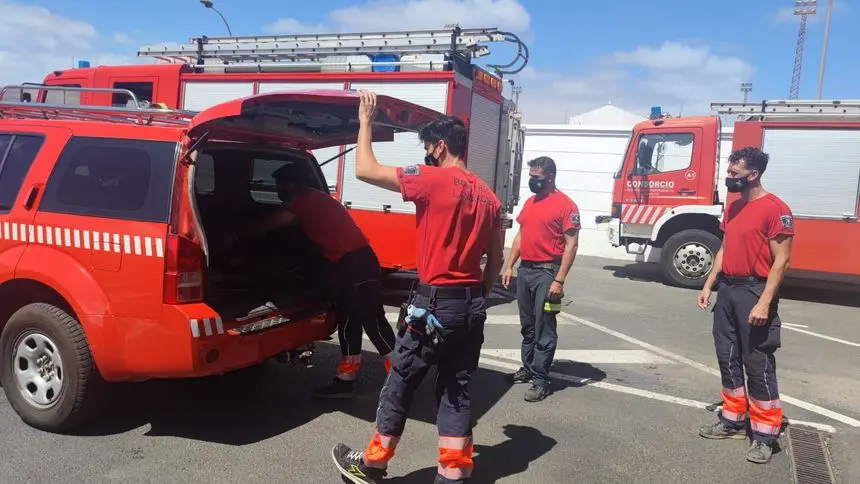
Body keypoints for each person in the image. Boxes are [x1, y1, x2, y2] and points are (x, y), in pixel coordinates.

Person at [330, 90, 504, 484]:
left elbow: (365, 170)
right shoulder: (489, 197)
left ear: (440, 147)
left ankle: (371, 466)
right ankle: (452, 472)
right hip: (470, 305)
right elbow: (493, 260)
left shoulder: (431, 179)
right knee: (455, 389)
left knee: (401, 383)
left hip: (434, 305)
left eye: (428, 148)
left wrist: (365, 123)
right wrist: (479, 296)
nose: (426, 155)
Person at [239, 162, 397, 399]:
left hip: (356, 264)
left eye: (280, 187)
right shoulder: (318, 198)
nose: (279, 192)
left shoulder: (303, 201)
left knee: (371, 320)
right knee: (348, 321)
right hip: (353, 263)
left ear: (292, 184)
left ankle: (400, 377)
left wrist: (237, 232)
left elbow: (273, 223)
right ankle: (346, 379)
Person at [696, 146, 793, 465]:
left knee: (757, 363)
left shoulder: (775, 208)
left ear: (753, 175)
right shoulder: (734, 207)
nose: (729, 178)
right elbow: (725, 247)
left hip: (755, 291)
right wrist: (709, 283)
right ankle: (733, 422)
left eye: (734, 174)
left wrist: (765, 302)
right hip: (728, 291)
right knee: (727, 357)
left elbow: (782, 260)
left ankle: (765, 436)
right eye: (728, 172)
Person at [501, 156, 580, 403]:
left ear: (550, 177)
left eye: (536, 177)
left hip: (548, 274)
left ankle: (541, 380)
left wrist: (559, 280)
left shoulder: (566, 205)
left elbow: (571, 245)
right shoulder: (531, 202)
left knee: (544, 327)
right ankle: (528, 367)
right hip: (526, 271)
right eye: (531, 176)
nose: (532, 181)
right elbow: (521, 236)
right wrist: (509, 265)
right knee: (528, 326)